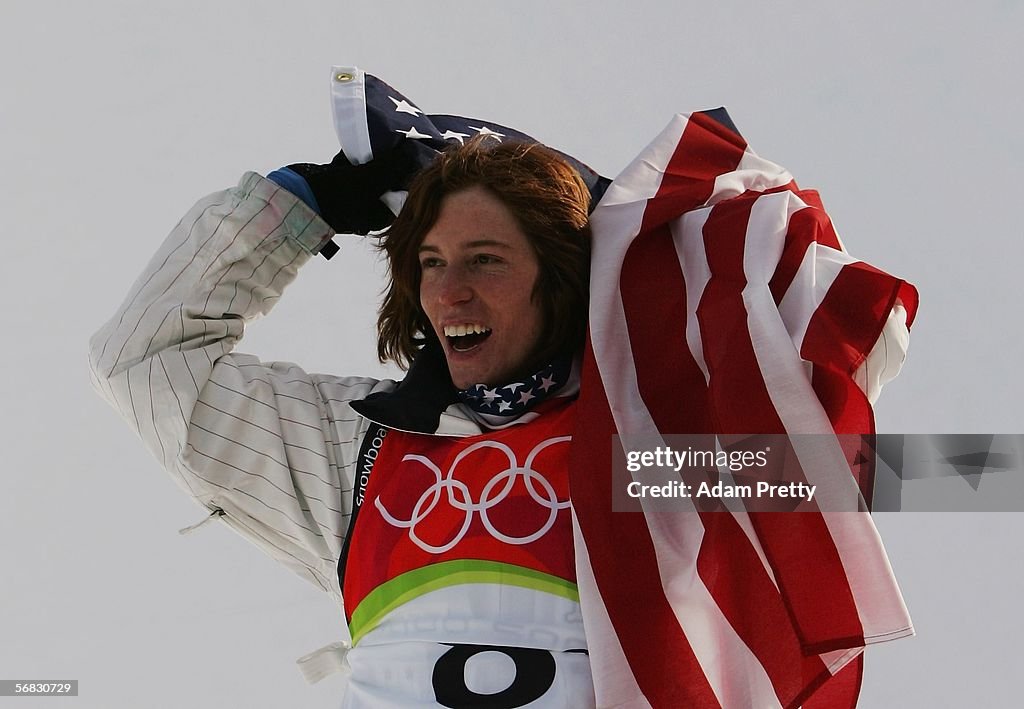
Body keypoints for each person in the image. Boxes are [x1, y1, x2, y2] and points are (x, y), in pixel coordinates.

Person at [89, 137, 600, 707]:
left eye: (486, 258)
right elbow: (144, 363)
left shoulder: (639, 440)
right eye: (430, 262)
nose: (450, 291)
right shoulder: (362, 445)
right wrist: (296, 208)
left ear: (562, 278)